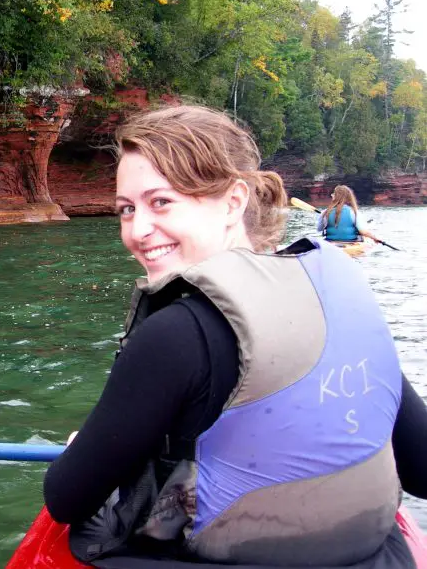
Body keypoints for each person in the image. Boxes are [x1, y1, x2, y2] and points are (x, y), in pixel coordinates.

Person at [43, 106, 427, 569]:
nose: (138, 231)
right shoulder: (339, 293)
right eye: (127, 209)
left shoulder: (175, 334)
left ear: (232, 202)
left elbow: (66, 499)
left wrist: (80, 449)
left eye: (161, 202)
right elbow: (421, 468)